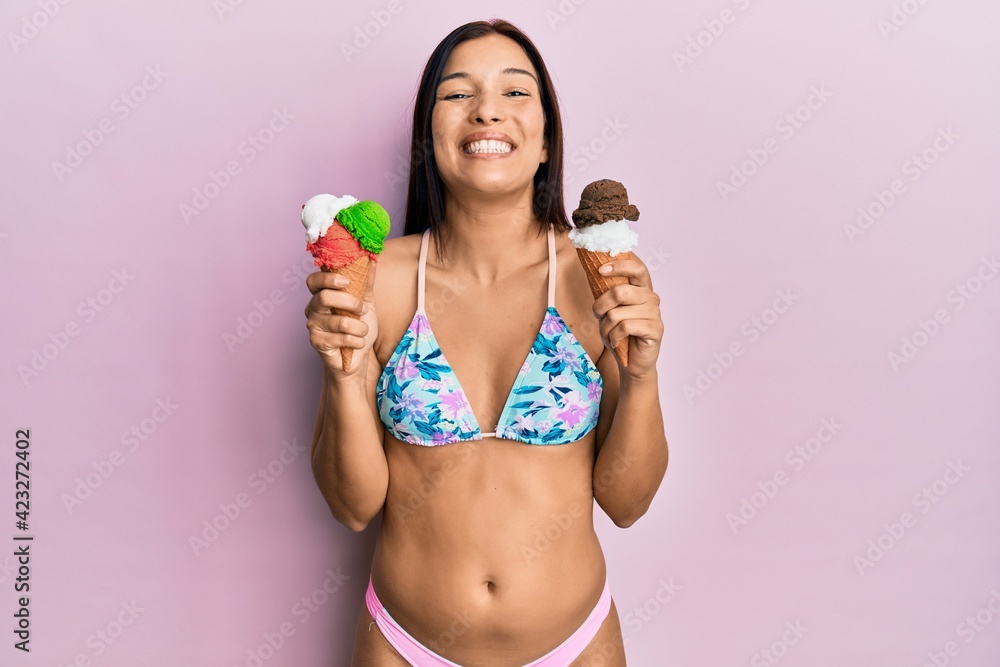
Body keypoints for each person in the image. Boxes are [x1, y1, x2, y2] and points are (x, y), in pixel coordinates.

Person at [304, 19, 668, 667]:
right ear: (429, 134)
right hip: (403, 645)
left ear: (548, 139)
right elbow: (352, 505)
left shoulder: (597, 279)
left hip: (573, 646)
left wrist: (642, 374)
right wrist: (341, 374)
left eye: (516, 92)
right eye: (457, 94)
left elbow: (627, 501)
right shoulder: (377, 281)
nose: (488, 111)